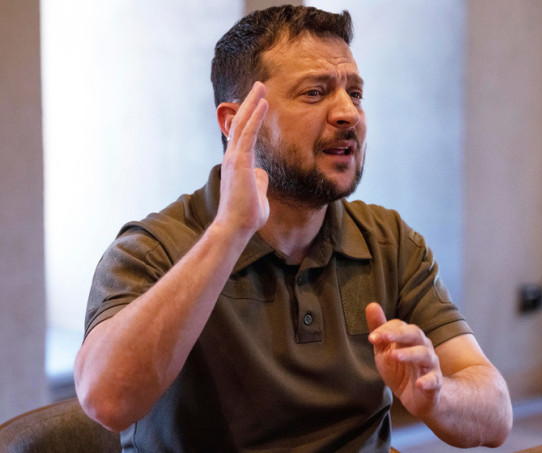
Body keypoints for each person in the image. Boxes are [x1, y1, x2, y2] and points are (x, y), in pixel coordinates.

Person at [74, 5, 513, 452]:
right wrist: (230, 232)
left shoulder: (388, 241)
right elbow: (107, 401)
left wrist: (437, 396)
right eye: (314, 93)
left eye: (355, 93)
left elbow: (496, 413)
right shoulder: (153, 249)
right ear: (235, 123)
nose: (348, 113)